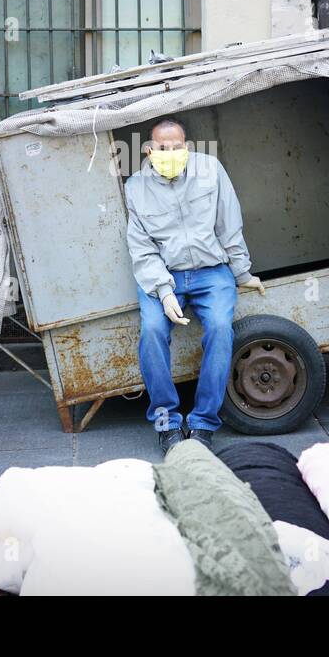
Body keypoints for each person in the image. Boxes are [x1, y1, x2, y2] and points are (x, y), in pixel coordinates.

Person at [124, 116, 265, 455]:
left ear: (186, 148)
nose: (169, 153)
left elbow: (229, 224)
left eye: (176, 148)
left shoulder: (210, 170)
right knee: (153, 332)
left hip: (211, 272)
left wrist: (243, 273)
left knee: (219, 327)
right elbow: (141, 247)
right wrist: (164, 290)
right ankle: (166, 422)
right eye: (162, 148)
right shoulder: (136, 187)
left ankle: (203, 422)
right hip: (164, 276)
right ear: (148, 150)